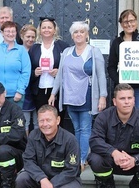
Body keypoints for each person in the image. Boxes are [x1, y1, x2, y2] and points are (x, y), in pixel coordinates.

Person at [48, 21, 107, 168]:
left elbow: (101, 75)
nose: (79, 34)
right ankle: (79, 155)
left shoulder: (94, 52)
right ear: (72, 35)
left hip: (87, 95)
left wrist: (103, 96)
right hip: (70, 96)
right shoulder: (67, 52)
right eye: (76, 32)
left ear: (87, 35)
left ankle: (81, 159)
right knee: (76, 128)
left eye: (82, 32)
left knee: (85, 128)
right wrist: (53, 93)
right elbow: (60, 75)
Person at [16, 105, 82, 188]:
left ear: (57, 120)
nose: (45, 124)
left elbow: (71, 170)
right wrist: (42, 179)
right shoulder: (33, 135)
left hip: (66, 180)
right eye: (41, 120)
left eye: (48, 120)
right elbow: (28, 160)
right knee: (22, 179)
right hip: (42, 177)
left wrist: (47, 187)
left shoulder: (70, 140)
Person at [107, 9, 139, 117]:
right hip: (123, 89)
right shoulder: (116, 43)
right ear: (121, 24)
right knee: (124, 119)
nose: (129, 24)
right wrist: (120, 81)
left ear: (136, 22)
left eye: (132, 21)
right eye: (126, 22)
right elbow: (111, 67)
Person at [0, 21, 31, 109]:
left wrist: (20, 91)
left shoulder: (21, 50)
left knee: (14, 121)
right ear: (2, 33)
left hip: (15, 95)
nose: (10, 34)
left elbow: (26, 72)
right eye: (7, 31)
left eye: (13, 31)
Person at [28, 17, 69, 113]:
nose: (46, 30)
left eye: (49, 27)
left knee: (57, 118)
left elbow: (69, 68)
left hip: (57, 90)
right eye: (44, 27)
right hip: (39, 90)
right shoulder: (34, 48)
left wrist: (59, 72)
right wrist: (35, 73)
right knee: (43, 117)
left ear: (54, 30)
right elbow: (27, 69)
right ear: (40, 31)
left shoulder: (63, 46)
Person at [20, 24, 38, 135]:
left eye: (33, 37)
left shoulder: (38, 50)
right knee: (24, 121)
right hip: (24, 90)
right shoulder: (18, 51)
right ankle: (26, 145)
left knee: (37, 120)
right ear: (22, 36)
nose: (30, 39)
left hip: (36, 90)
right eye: (28, 36)